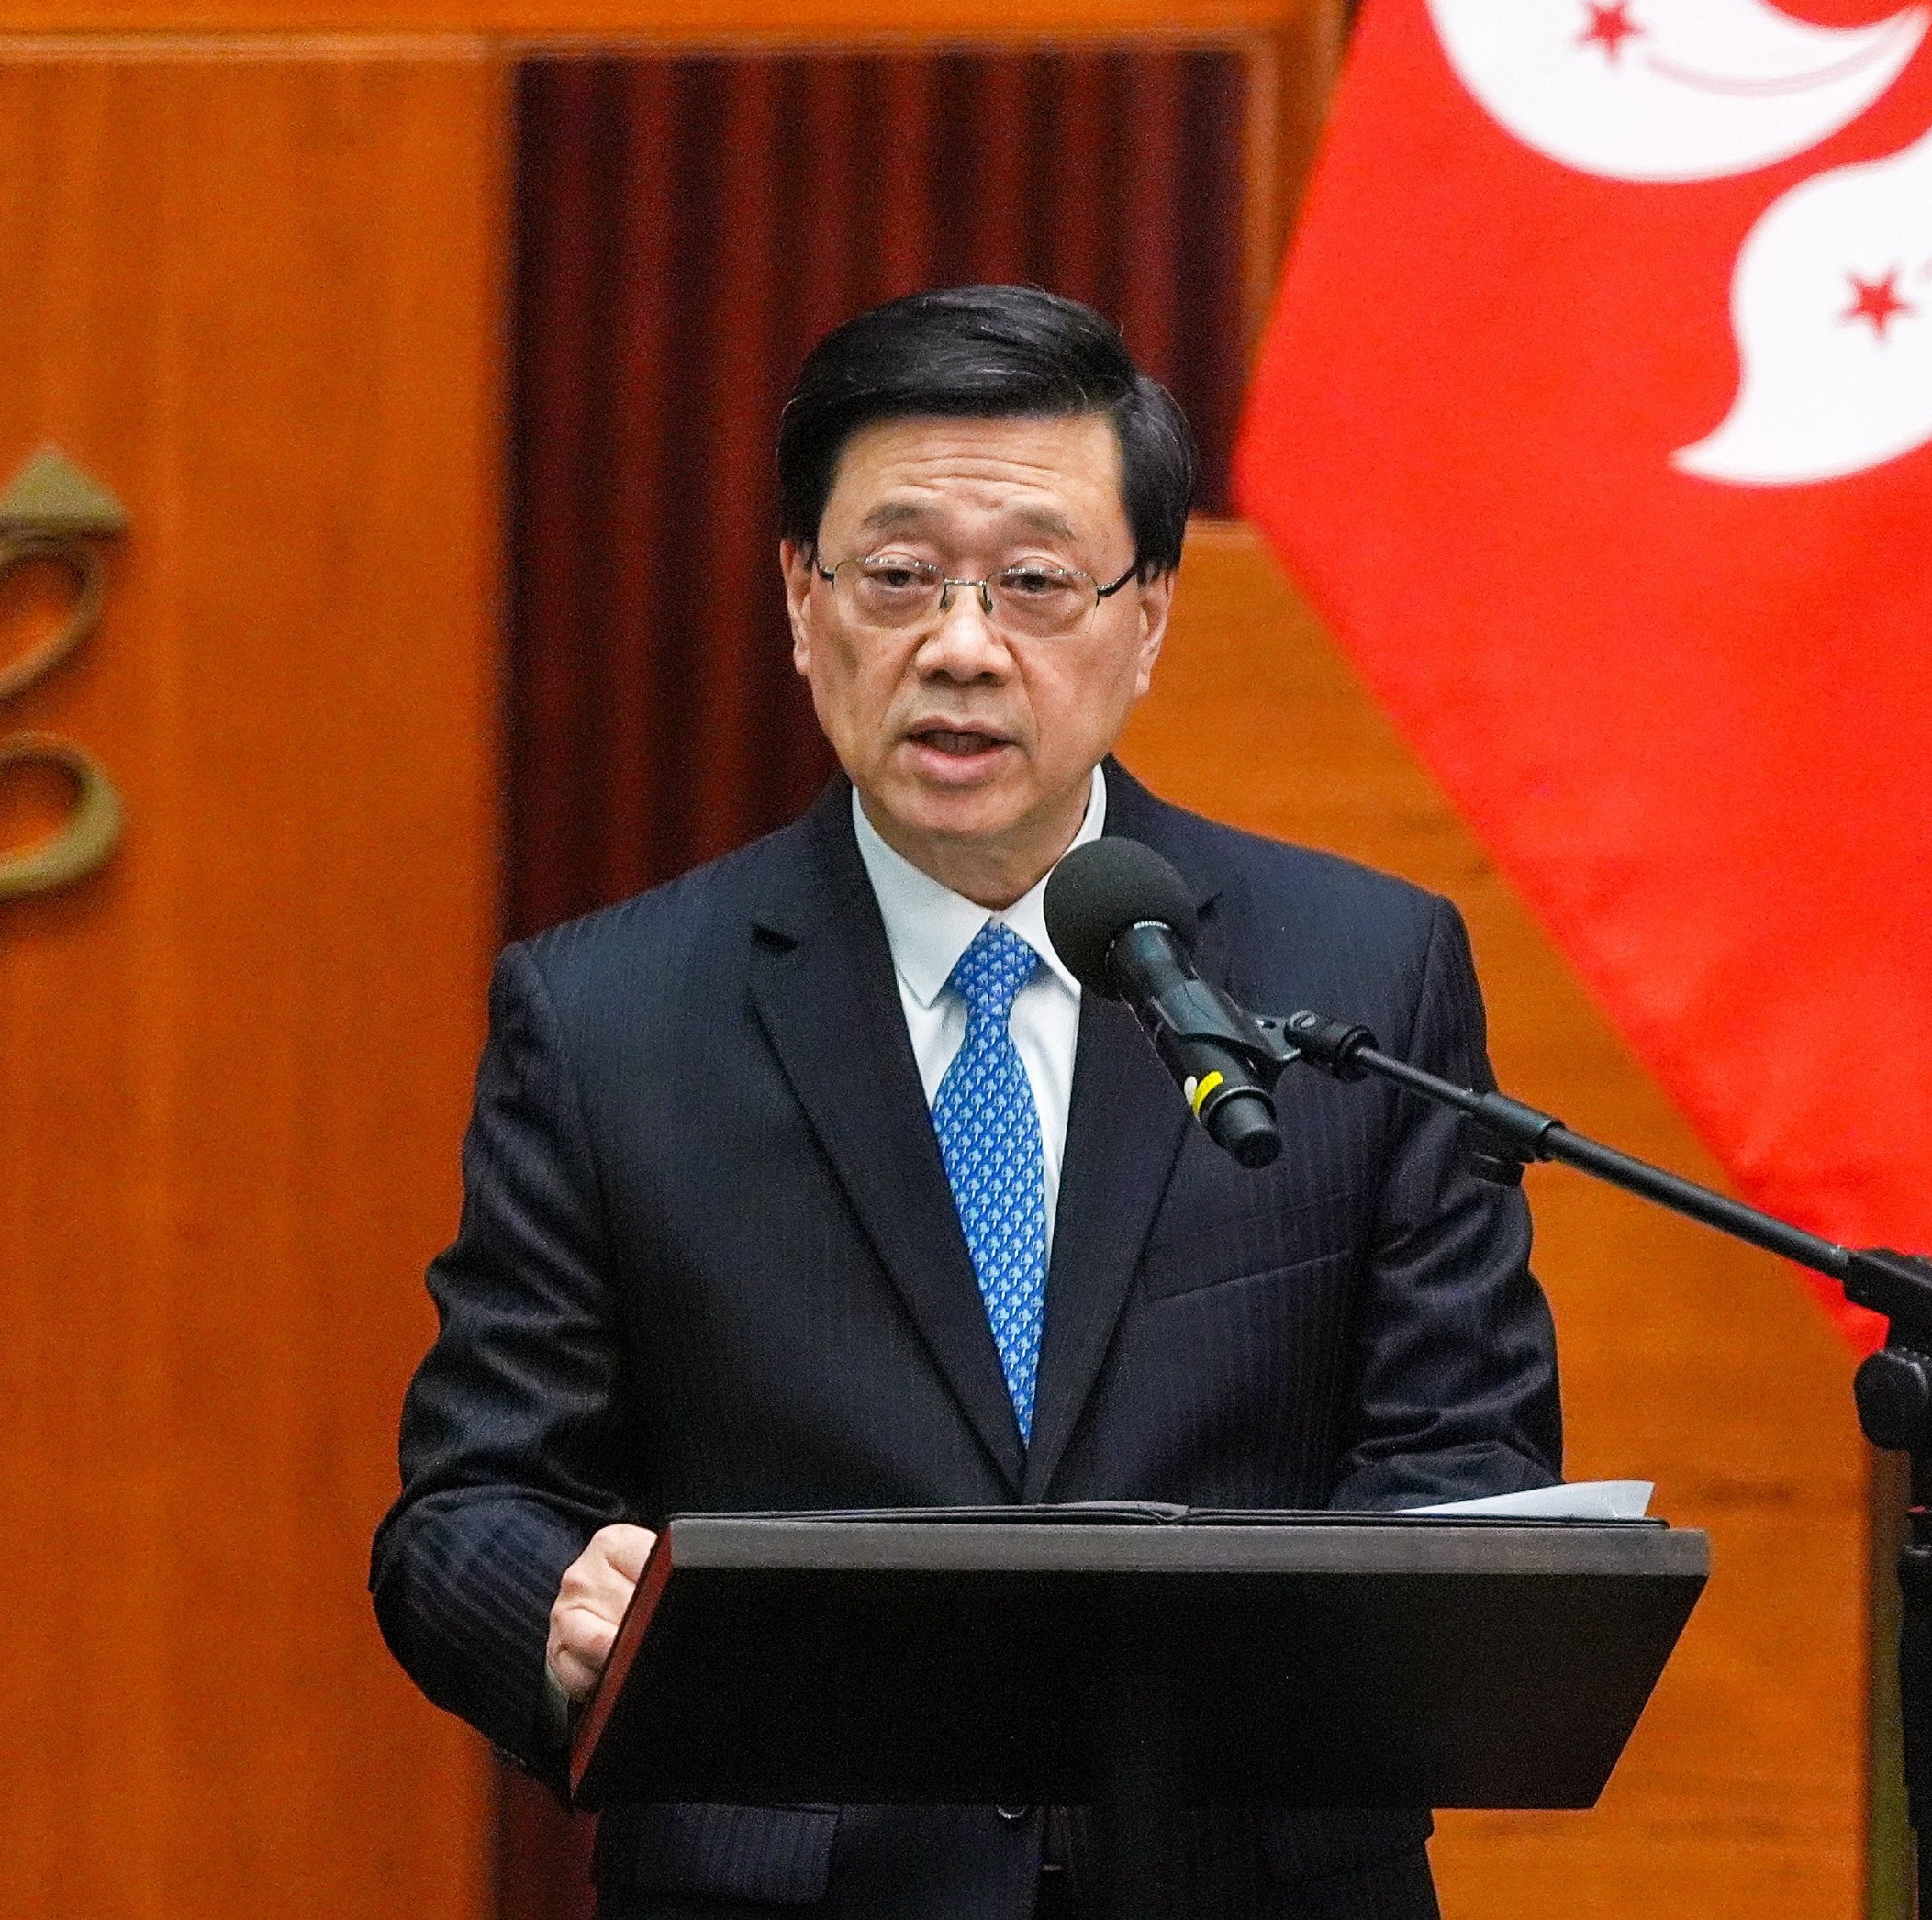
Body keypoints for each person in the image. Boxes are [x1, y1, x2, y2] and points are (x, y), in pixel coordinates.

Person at [375, 284, 1560, 1918]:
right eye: (897, 576)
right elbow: (468, 1503)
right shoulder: (608, 1016)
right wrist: (555, 1604)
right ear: (802, 602)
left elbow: (1466, 1451)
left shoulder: (1363, 972)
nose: (959, 644)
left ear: (1149, 616)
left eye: (1035, 583)